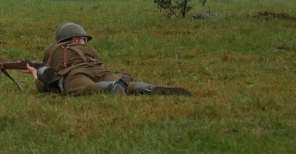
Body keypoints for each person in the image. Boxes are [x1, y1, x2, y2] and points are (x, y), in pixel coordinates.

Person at [26, 23, 191, 96]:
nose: (85, 42)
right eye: (84, 39)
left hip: (74, 74)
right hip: (100, 69)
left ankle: (110, 89)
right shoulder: (91, 50)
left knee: (88, 88)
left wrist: (35, 75)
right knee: (126, 85)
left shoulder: (52, 49)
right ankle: (148, 88)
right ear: (76, 39)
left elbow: (46, 78)